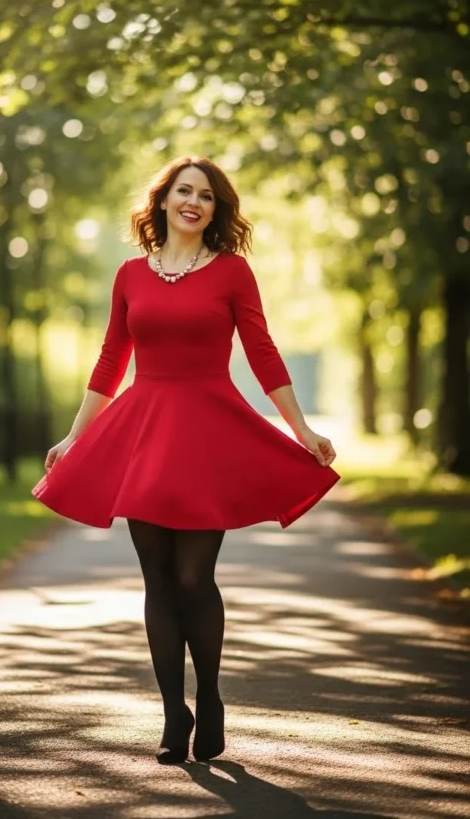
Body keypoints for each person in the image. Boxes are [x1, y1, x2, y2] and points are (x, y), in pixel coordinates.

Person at [32, 154, 340, 765]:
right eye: (183, 191)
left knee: (194, 577)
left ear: (215, 210)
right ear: (163, 200)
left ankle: (213, 698)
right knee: (157, 580)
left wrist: (299, 427)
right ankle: (175, 714)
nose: (193, 202)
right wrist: (74, 437)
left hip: (207, 432)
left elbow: (261, 350)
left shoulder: (231, 273)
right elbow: (110, 359)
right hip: (144, 432)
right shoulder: (129, 275)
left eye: (205, 195)